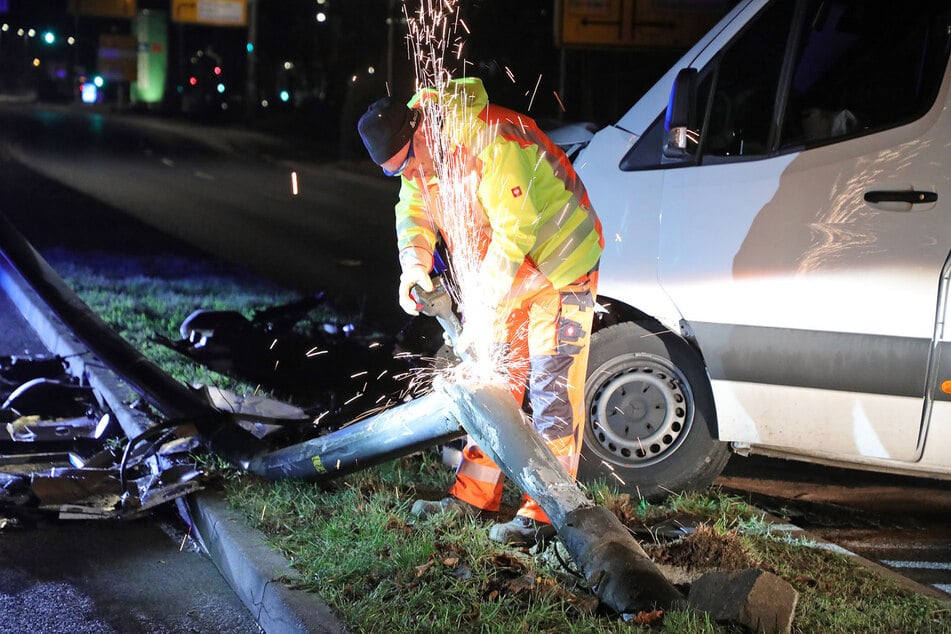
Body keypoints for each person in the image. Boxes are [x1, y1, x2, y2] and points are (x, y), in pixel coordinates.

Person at [357, 77, 603, 546]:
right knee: (490, 386)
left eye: (405, 164)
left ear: (420, 134)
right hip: (509, 274)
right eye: (394, 174)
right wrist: (414, 268)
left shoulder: (490, 141)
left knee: (552, 391)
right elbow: (413, 212)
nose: (406, 176)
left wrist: (484, 311)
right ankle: (473, 497)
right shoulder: (419, 162)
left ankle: (545, 519)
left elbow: (516, 234)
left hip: (562, 266)